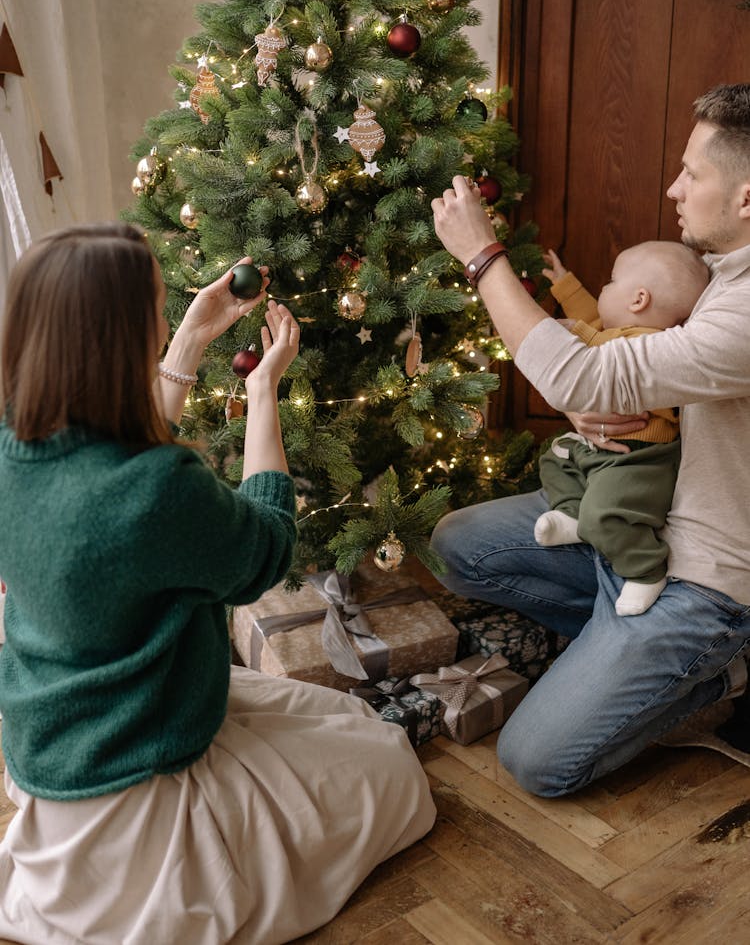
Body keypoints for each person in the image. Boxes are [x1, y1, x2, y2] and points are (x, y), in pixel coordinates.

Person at [0, 222, 435, 945]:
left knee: (346, 721)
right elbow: (263, 550)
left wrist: (192, 342)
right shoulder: (155, 487)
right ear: (120, 336)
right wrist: (264, 391)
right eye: (158, 308)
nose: (169, 316)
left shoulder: (18, 445)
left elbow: (113, 480)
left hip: (55, 739)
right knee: (392, 770)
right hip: (139, 758)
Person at [429, 83, 750, 797]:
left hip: (705, 580)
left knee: (536, 762)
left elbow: (585, 372)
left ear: (747, 199)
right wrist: (593, 407)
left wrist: (483, 255)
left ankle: (724, 667)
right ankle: (620, 646)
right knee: (457, 543)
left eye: (692, 173)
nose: (673, 188)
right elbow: (630, 362)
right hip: (639, 514)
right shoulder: (724, 273)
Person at [534, 241, 708, 616]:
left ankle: (646, 571)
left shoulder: (656, 345)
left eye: (611, 282)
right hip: (598, 447)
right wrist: (565, 285)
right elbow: (593, 321)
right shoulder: (615, 331)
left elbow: (599, 348)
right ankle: (571, 514)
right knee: (554, 460)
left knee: (607, 515)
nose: (603, 289)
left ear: (639, 299)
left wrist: (573, 332)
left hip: (640, 461)